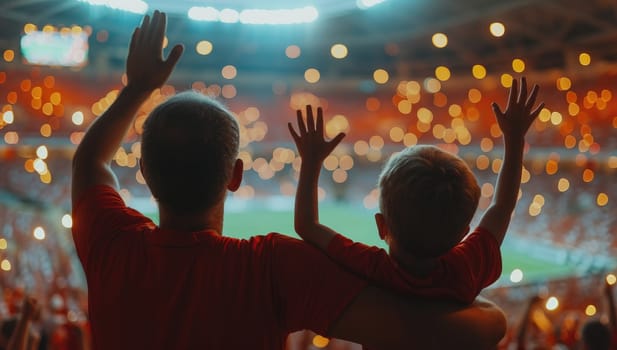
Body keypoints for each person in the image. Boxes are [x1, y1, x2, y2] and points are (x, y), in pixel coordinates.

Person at [71, 10, 506, 349]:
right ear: (236, 177)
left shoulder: (110, 242)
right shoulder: (270, 267)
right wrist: (495, 316)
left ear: (145, 173)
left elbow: (89, 162)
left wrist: (137, 88)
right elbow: (434, 334)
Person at [289, 77, 543, 304]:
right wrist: (515, 139)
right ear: (462, 235)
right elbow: (502, 207)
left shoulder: (370, 269)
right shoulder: (466, 268)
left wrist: (311, 162)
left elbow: (306, 225)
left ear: (381, 225)